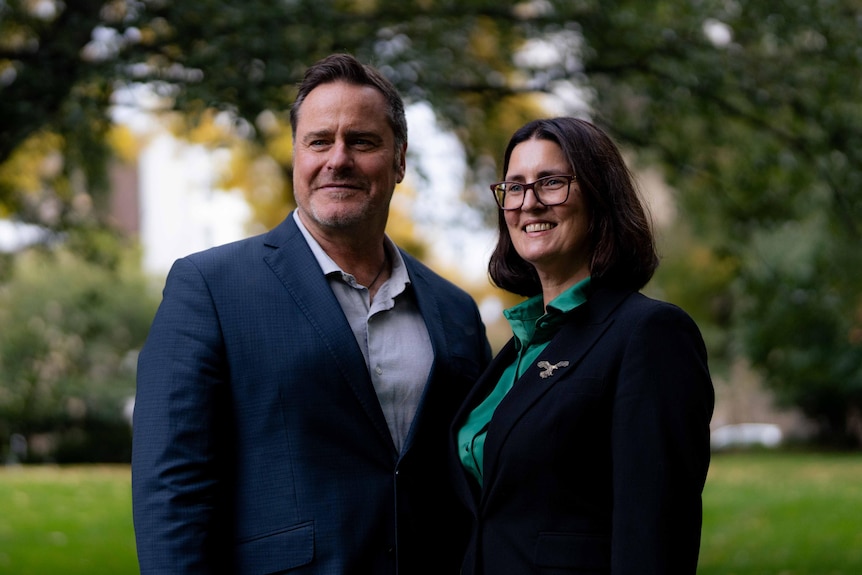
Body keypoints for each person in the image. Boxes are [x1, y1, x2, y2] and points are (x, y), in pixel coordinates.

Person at [132, 53, 492, 575]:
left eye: (362, 142)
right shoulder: (209, 288)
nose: (338, 160)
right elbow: (171, 489)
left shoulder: (455, 311)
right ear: (296, 155)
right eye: (319, 141)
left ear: (399, 161)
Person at [449, 117, 715, 575]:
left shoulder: (649, 334)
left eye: (551, 183)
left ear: (599, 196)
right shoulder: (519, 348)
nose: (529, 203)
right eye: (515, 187)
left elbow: (655, 535)